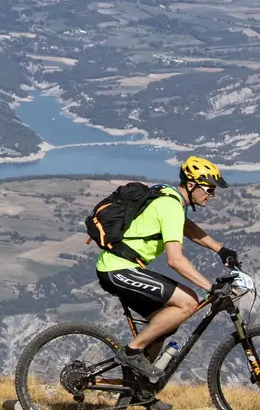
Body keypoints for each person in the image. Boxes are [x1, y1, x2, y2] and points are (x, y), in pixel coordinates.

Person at [96, 155, 241, 382]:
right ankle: (132, 353)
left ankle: (138, 388)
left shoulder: (169, 196)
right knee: (189, 302)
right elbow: (175, 260)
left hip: (120, 267)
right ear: (191, 185)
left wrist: (220, 249)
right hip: (119, 269)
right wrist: (209, 287)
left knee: (164, 325)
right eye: (209, 189)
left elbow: (185, 226)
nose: (211, 195)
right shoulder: (171, 205)